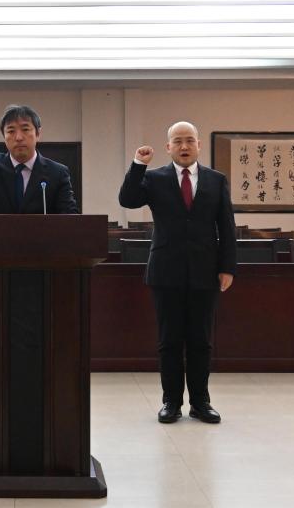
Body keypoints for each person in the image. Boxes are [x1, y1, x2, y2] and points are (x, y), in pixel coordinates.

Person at [118, 121, 237, 424]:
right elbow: (128, 200)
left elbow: (226, 226)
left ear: (198, 145)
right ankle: (171, 402)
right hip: (166, 270)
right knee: (169, 340)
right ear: (168, 147)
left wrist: (227, 267)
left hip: (205, 271)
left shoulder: (216, 180)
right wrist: (138, 165)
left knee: (201, 340)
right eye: (178, 141)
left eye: (189, 141)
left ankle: (200, 402)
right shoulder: (154, 178)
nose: (184, 147)